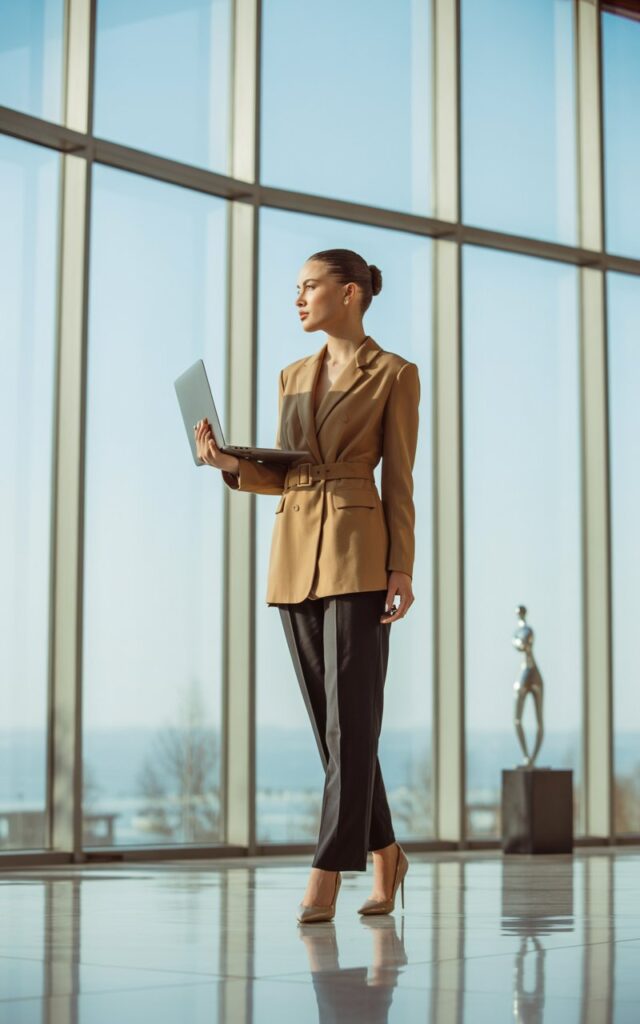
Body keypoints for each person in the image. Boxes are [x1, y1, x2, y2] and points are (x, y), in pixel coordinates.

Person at [194, 247, 420, 924]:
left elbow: (400, 479)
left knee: (354, 720)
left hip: (358, 550)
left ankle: (327, 870)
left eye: (309, 286)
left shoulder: (395, 373)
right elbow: (289, 470)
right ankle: (387, 853)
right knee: (333, 726)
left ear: (349, 293)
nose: (297, 298)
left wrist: (402, 566)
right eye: (297, 288)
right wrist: (227, 461)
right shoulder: (292, 375)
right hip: (295, 551)